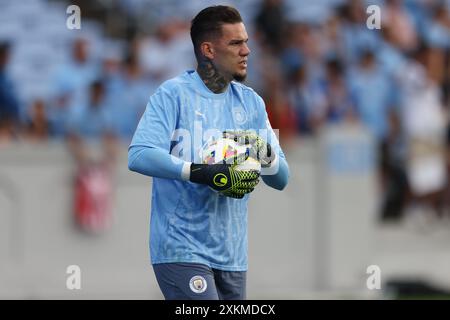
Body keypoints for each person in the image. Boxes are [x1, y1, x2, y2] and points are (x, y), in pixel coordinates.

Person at [128, 5, 289, 300]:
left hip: (232, 254)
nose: (247, 51)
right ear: (208, 50)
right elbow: (138, 154)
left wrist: (259, 148)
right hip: (180, 246)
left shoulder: (252, 103)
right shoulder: (172, 94)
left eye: (247, 42)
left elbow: (281, 179)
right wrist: (199, 172)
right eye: (236, 43)